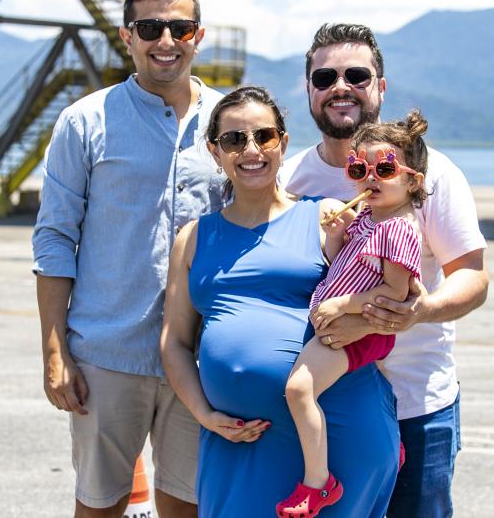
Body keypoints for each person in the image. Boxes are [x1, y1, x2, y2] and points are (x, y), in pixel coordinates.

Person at [32, 0, 225, 518]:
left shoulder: (233, 125)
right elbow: (54, 239)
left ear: (198, 34)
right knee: (100, 505)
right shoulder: (83, 122)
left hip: (201, 355)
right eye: (150, 28)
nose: (165, 40)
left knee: (187, 506)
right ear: (127, 37)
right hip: (106, 356)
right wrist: (54, 352)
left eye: (179, 27)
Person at [279, 23, 490, 517]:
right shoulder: (288, 177)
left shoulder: (431, 173)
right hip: (326, 408)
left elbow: (473, 276)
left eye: (356, 74)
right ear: (309, 88)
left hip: (415, 403)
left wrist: (416, 310)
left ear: (380, 86)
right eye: (325, 77)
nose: (340, 87)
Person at [161, 85, 399, 517]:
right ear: (215, 152)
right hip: (237, 440)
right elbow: (174, 342)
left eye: (264, 137)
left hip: (333, 439)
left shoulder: (329, 218)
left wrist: (363, 318)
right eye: (234, 139)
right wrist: (203, 413)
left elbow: (395, 293)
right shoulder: (192, 239)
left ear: (283, 143)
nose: (251, 150)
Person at [277, 114, 428, 517]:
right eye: (360, 169)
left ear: (413, 180)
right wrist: (337, 234)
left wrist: (344, 306)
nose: (371, 178)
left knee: (299, 390)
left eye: (385, 169)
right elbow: (350, 265)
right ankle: (383, 443)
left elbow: (395, 292)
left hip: (364, 330)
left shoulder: (396, 228)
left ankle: (318, 484)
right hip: (349, 323)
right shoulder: (369, 218)